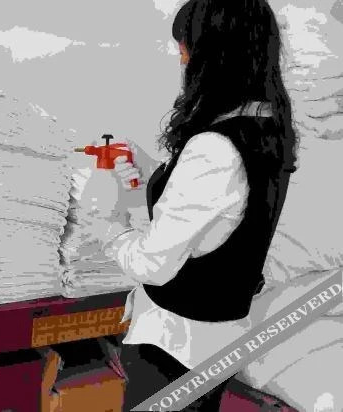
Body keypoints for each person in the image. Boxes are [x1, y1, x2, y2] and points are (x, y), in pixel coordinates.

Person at [93, 0, 299, 410]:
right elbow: (218, 211)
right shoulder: (264, 129)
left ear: (215, 55)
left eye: (186, 47)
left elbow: (153, 264)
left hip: (174, 349)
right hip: (213, 346)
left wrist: (109, 223)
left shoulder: (214, 148)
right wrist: (152, 169)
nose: (181, 59)